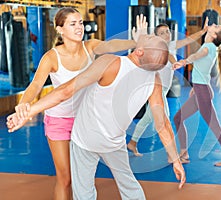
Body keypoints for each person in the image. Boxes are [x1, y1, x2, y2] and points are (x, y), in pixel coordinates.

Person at [7, 34, 185, 200]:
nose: (147, 35)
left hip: (85, 140)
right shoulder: (154, 81)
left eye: (148, 37)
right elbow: (162, 125)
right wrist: (175, 160)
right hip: (113, 143)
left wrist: (28, 111)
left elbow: (66, 91)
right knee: (130, 187)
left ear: (139, 51)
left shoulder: (111, 62)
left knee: (84, 192)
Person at [12, 7, 147, 200]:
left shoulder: (90, 47)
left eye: (81, 23)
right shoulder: (52, 57)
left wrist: (136, 41)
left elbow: (112, 45)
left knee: (82, 180)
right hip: (59, 121)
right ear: (60, 29)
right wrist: (24, 104)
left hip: (86, 121)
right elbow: (35, 85)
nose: (79, 27)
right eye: (73, 24)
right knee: (65, 178)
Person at [127, 18, 210, 157]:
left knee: (148, 118)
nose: (167, 34)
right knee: (165, 118)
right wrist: (174, 62)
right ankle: (172, 154)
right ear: (157, 36)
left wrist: (202, 31)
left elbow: (188, 40)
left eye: (168, 31)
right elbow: (169, 57)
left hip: (164, 88)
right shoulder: (154, 47)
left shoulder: (172, 45)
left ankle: (132, 143)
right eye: (163, 32)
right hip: (155, 88)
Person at [172, 24, 221, 166]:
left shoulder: (208, 48)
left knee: (214, 126)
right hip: (201, 90)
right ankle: (184, 154)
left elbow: (197, 56)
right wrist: (195, 88)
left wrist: (184, 61)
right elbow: (203, 70)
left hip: (203, 93)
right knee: (178, 119)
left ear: (214, 35)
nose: (214, 24)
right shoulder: (210, 46)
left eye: (216, 26)